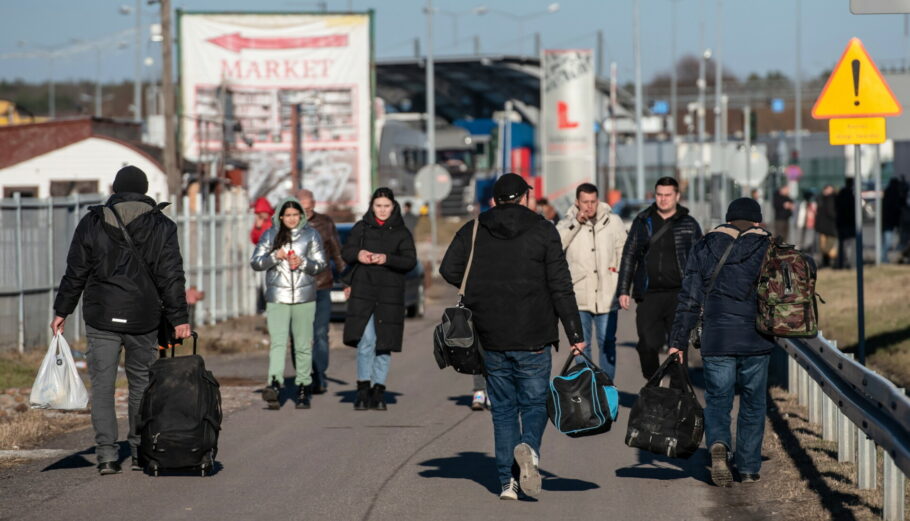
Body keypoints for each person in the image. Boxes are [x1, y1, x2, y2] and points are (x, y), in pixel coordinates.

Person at [440, 173, 585, 500]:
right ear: (524, 198)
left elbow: (449, 269)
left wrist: (478, 288)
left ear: (495, 200)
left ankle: (507, 483)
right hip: (534, 334)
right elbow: (560, 285)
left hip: (490, 335)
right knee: (534, 403)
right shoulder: (544, 230)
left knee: (503, 409)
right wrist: (575, 332)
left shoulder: (476, 228)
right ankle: (529, 449)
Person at [50, 165, 191, 475]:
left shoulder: (93, 221)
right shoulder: (161, 225)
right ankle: (140, 451)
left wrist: (62, 310)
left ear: (114, 189)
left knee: (102, 388)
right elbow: (171, 276)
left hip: (102, 316)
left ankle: (107, 456)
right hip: (144, 318)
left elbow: (76, 272)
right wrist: (180, 318)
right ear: (144, 191)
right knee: (141, 383)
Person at [667, 197, 776, 487]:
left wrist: (677, 341)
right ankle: (750, 467)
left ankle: (718, 444)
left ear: (728, 219)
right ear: (757, 221)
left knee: (718, 399)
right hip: (757, 337)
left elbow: (689, 298)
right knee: (753, 402)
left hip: (717, 337)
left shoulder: (704, 245)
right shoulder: (768, 247)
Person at [617, 177, 703, 380]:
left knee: (678, 348)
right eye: (659, 195)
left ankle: (677, 397)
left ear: (677, 196)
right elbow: (629, 254)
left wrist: (700, 296)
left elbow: (700, 262)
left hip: (679, 295)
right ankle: (654, 384)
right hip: (649, 294)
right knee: (646, 344)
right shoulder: (643, 221)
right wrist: (623, 289)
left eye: (668, 195)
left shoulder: (689, 224)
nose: (663, 200)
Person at [342, 187, 417, 411]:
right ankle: (363, 389)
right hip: (363, 291)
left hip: (390, 294)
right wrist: (359, 255)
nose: (382, 210)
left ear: (393, 207)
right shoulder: (361, 228)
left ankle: (379, 391)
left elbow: (410, 261)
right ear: (372, 206)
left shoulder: (402, 232)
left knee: (384, 345)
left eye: (386, 206)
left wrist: (387, 258)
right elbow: (346, 252)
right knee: (366, 342)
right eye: (378, 206)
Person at [251, 197, 327, 410]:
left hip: (304, 297)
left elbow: (321, 264)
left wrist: (303, 263)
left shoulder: (311, 235)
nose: (292, 219)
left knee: (303, 345)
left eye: (295, 215)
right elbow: (256, 262)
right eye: (287, 215)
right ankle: (274, 383)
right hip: (278, 297)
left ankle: (303, 386)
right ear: (280, 217)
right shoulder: (270, 235)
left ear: (301, 216)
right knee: (278, 342)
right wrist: (275, 256)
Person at [556, 182, 626, 380]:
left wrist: (621, 282)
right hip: (579, 295)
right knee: (581, 346)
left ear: (598, 200)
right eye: (585, 202)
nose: (589, 206)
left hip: (607, 293)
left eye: (593, 201)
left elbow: (624, 252)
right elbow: (556, 245)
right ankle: (587, 389)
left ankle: (606, 387)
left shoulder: (614, 221)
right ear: (577, 202)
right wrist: (576, 223)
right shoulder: (566, 223)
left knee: (607, 342)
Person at [296, 189, 345, 394]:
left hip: (322, 285)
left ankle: (320, 374)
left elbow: (336, 252)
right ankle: (304, 374)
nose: (306, 213)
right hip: (296, 289)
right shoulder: (287, 224)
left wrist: (347, 279)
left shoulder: (325, 223)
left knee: (320, 333)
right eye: (302, 209)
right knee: (299, 336)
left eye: (309, 208)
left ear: (314, 204)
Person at [251, 197, 275, 313]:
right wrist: (257, 227)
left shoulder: (273, 222)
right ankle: (268, 307)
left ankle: (271, 307)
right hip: (264, 258)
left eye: (262, 213)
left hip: (273, 257)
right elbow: (255, 239)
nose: (261, 216)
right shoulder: (259, 224)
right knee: (264, 285)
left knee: (271, 284)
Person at [815, 185, 838, 268]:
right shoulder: (829, 199)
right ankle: (830, 262)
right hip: (829, 226)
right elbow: (831, 212)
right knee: (827, 246)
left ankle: (828, 262)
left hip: (824, 227)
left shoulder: (822, 199)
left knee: (826, 246)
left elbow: (829, 212)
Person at [883, 177, 905, 263]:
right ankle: (883, 258)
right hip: (889, 221)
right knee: (888, 242)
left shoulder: (889, 192)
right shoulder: (893, 194)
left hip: (888, 221)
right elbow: (897, 206)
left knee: (887, 241)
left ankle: (883, 257)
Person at [835, 178, 857, 269]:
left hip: (842, 222)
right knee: (852, 244)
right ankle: (852, 264)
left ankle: (841, 264)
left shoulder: (841, 193)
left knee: (842, 245)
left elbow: (837, 207)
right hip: (848, 223)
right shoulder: (850, 194)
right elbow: (852, 210)